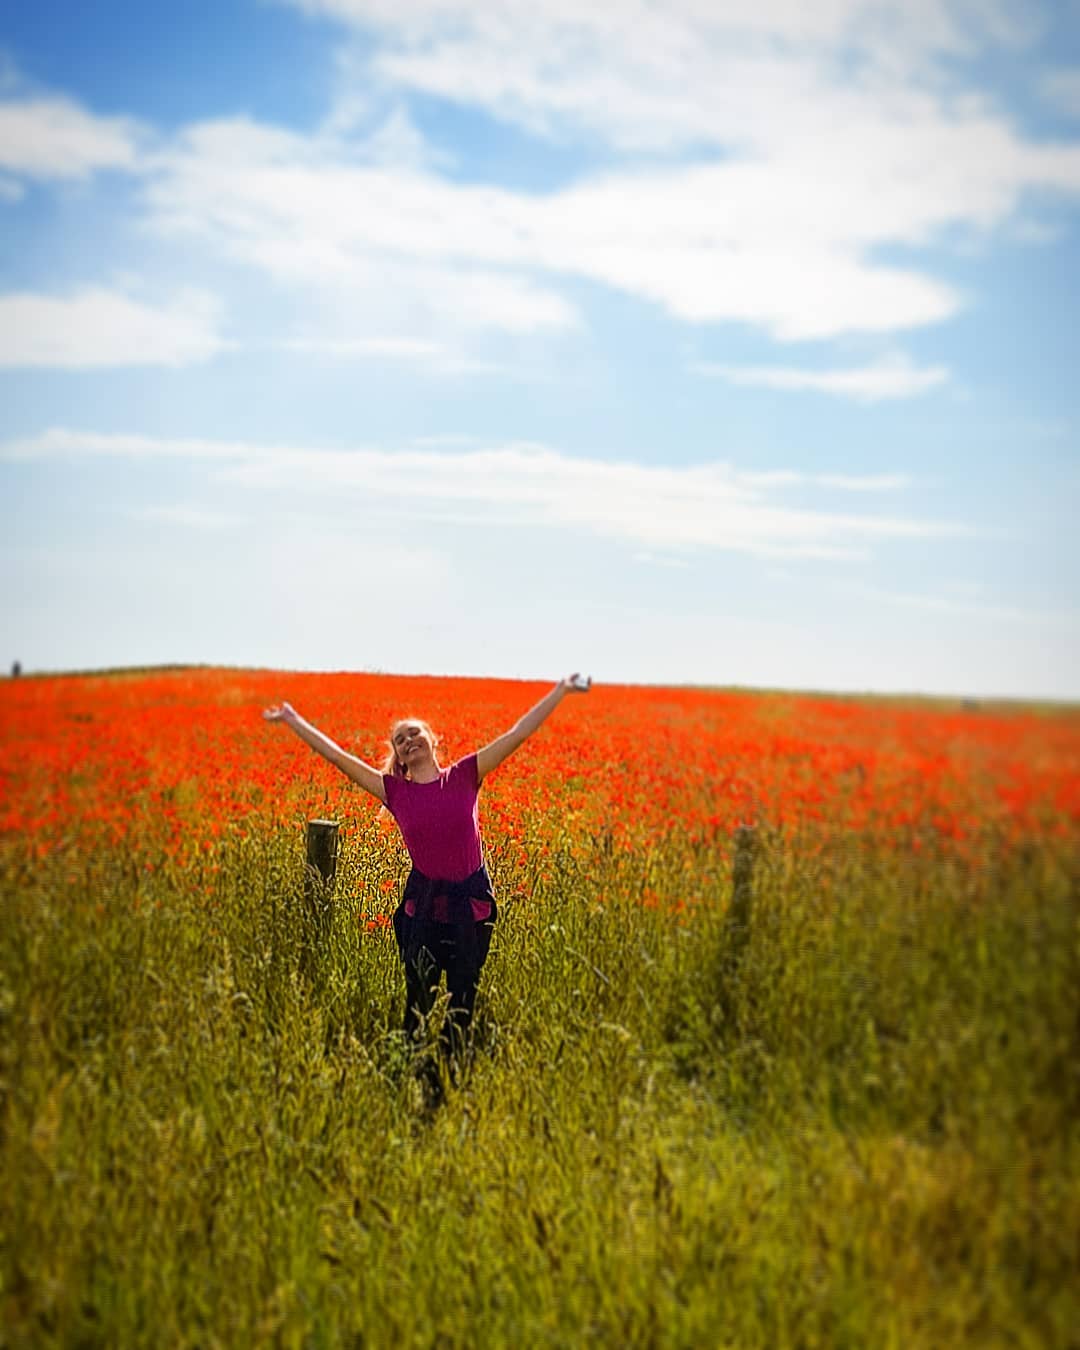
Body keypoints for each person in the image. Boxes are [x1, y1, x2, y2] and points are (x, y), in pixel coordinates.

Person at [263, 675, 591, 1081]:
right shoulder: (395, 792)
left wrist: (560, 690)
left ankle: (449, 1077)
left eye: (414, 732)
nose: (408, 740)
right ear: (398, 757)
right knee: (417, 995)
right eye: (400, 740)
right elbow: (337, 757)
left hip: (471, 904)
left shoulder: (466, 775)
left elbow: (518, 733)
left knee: (463, 999)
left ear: (432, 740)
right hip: (423, 906)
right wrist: (293, 718)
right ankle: (405, 1074)